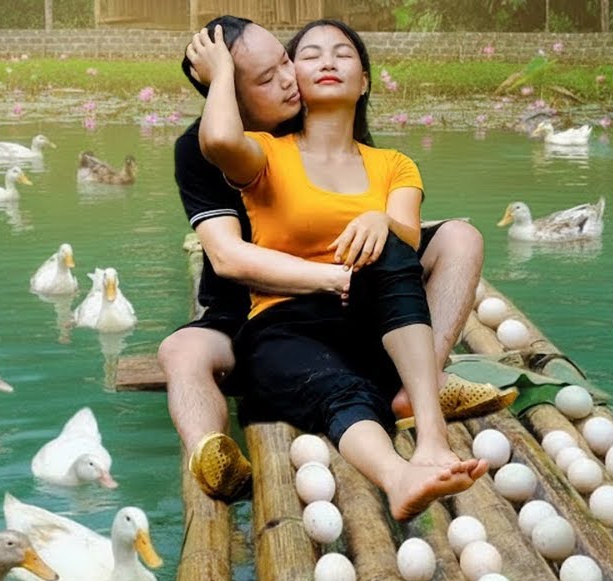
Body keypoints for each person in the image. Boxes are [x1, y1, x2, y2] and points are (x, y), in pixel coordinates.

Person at [162, 16, 500, 505]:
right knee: (181, 352)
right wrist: (336, 277)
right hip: (250, 307)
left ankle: (422, 386)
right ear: (229, 96)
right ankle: (213, 453)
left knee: (452, 237)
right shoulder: (233, 150)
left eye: (285, 60)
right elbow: (228, 257)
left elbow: (390, 227)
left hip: (355, 296)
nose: (289, 79)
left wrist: (379, 226)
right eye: (268, 77)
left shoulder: (371, 151)